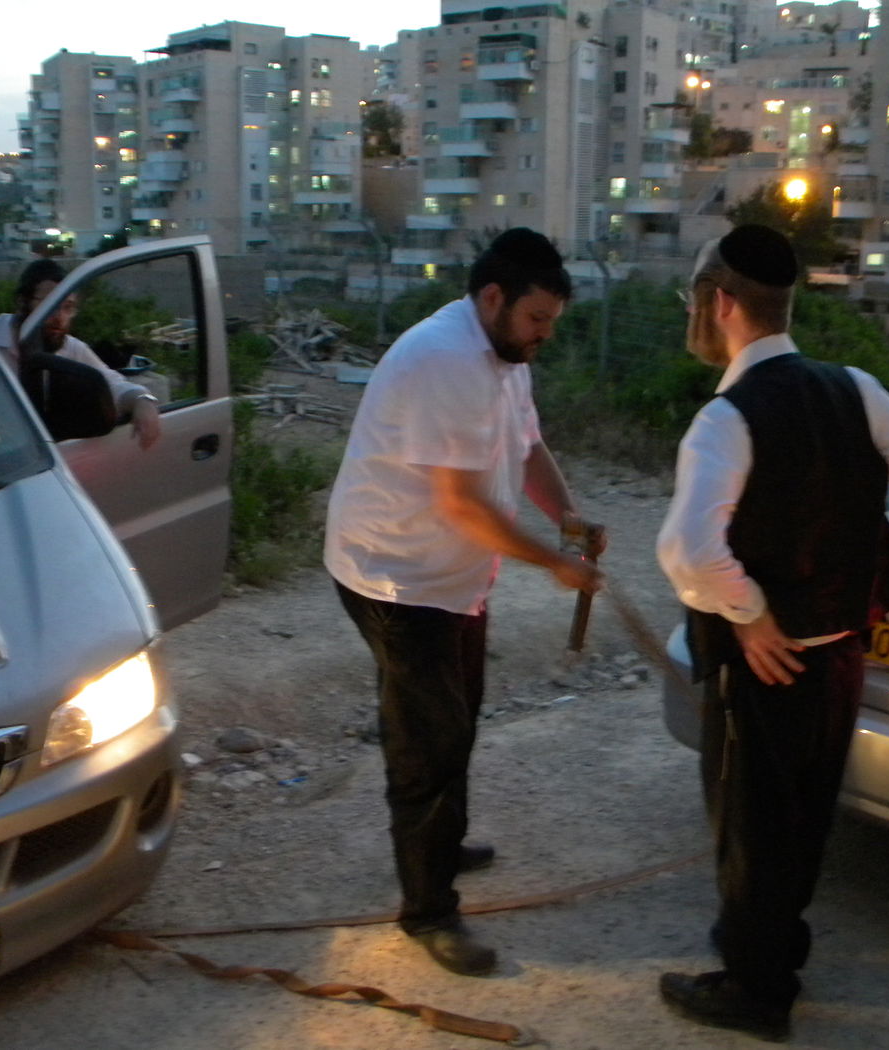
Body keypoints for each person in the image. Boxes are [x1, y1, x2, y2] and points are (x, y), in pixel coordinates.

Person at [655, 225, 889, 1040]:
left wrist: (751, 613)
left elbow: (688, 549)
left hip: (764, 666)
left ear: (722, 304)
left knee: (752, 827)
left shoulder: (727, 418)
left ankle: (756, 992)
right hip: (839, 664)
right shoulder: (855, 388)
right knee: (803, 819)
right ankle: (774, 952)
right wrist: (872, 572)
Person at [324, 227, 604, 977]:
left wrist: (566, 515)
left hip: (454, 582)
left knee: (460, 713)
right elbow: (461, 504)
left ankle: (439, 843)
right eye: (537, 319)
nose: (545, 335)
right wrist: (554, 564)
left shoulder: (505, 359)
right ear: (492, 298)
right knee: (427, 738)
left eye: (552, 321)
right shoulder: (444, 359)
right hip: (395, 577)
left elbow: (526, 447)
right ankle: (427, 910)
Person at [0, 259, 161, 449]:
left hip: (34, 460)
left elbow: (113, 385)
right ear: (22, 302)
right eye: (50, 305)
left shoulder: (70, 348)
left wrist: (143, 401)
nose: (60, 317)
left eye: (68, 308)